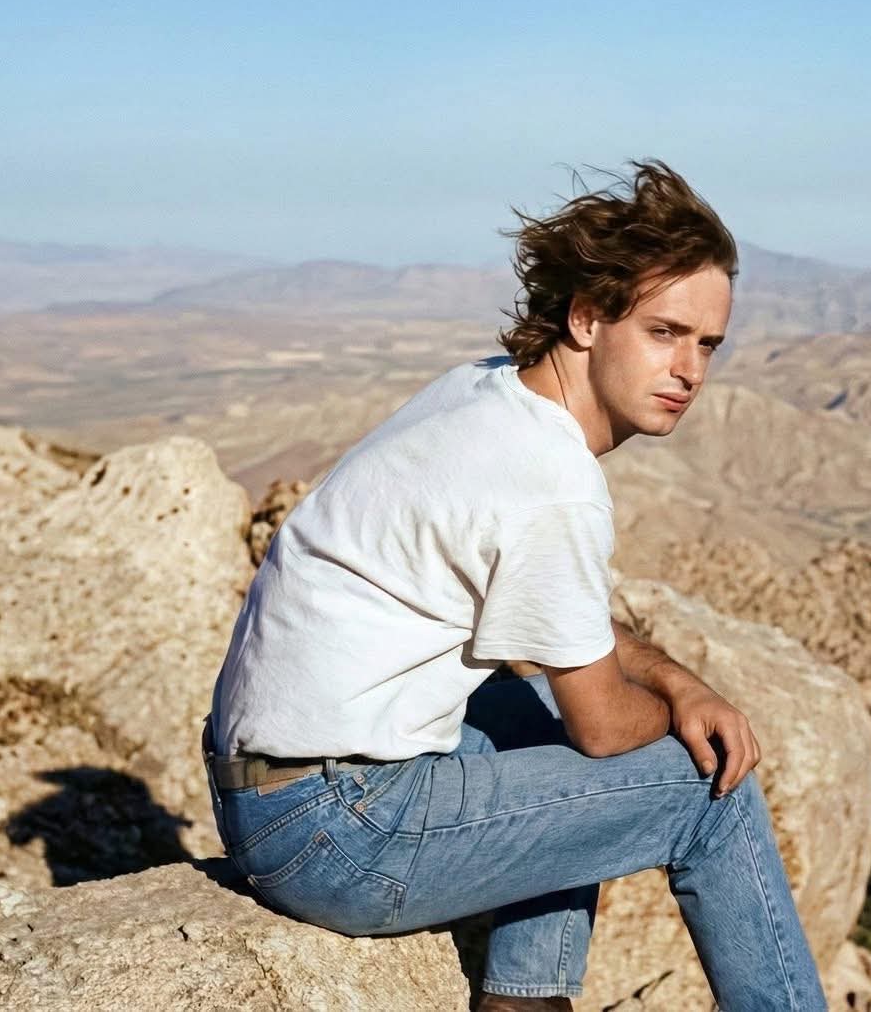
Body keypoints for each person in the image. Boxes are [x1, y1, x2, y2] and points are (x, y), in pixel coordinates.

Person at [203, 160, 827, 1011]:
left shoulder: (483, 391)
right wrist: (678, 714)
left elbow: (561, 630)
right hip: (338, 830)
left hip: (273, 795)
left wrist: (676, 680)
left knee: (540, 720)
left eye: (707, 343)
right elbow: (603, 730)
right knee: (707, 785)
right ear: (586, 318)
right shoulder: (550, 481)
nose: (689, 368)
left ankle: (528, 1000)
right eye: (664, 332)